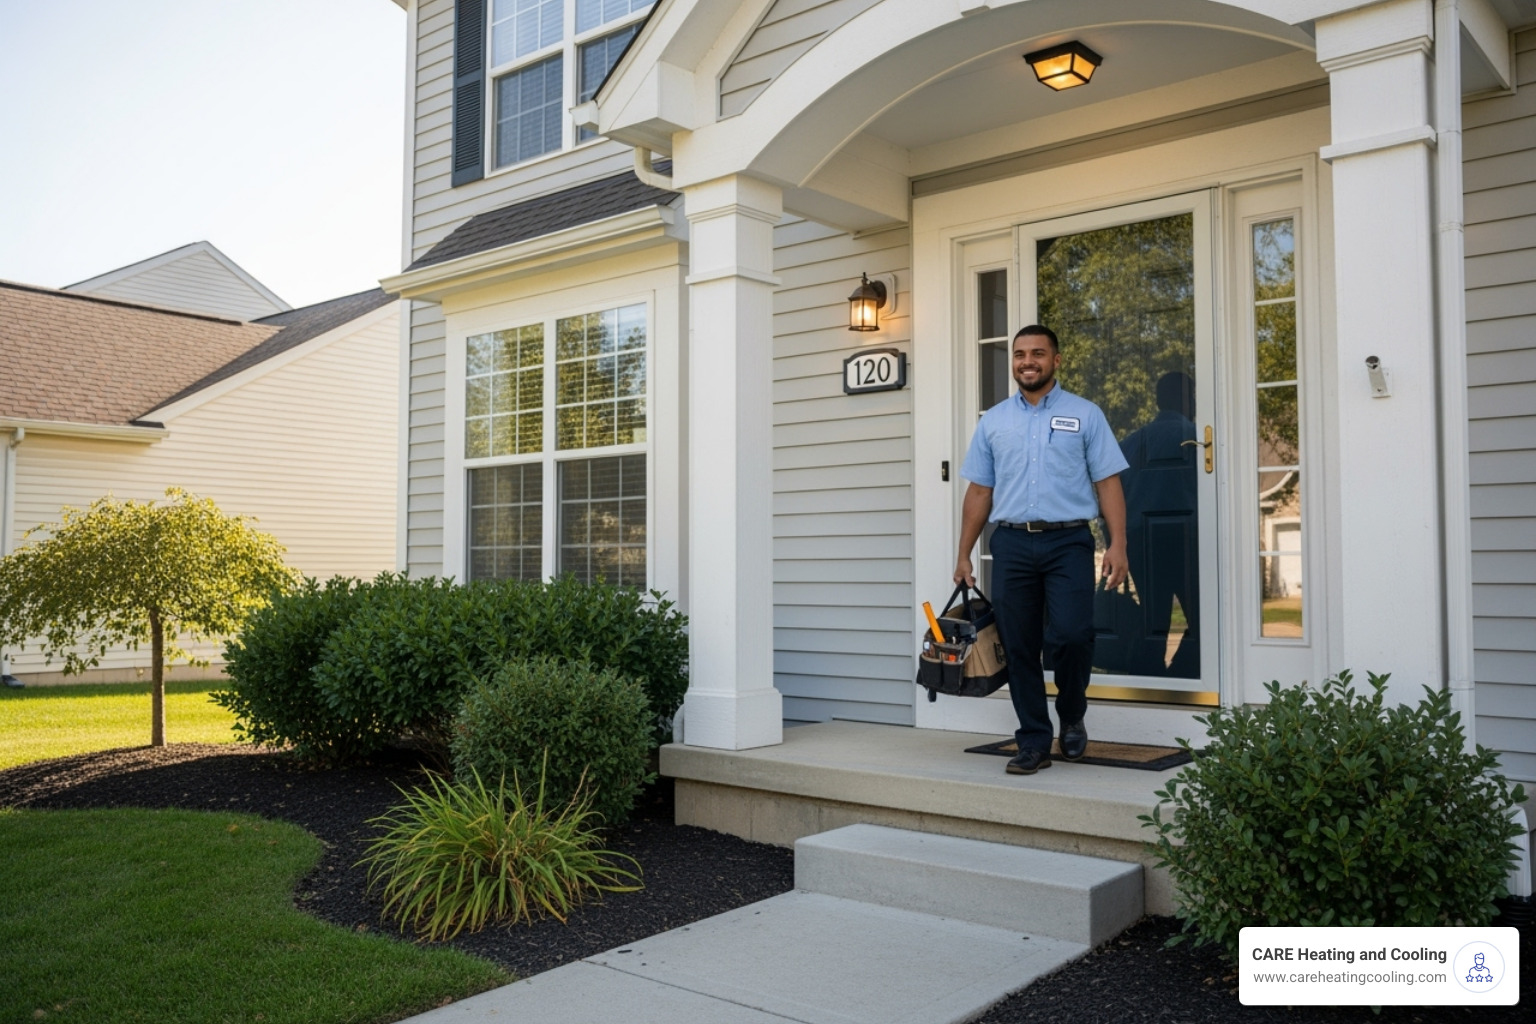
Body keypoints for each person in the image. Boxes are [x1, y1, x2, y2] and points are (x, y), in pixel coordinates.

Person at [954, 325, 1129, 775]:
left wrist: (1118, 544)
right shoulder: (994, 420)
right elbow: (979, 492)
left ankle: (1071, 713)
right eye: (1019, 354)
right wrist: (963, 554)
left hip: (1068, 539)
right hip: (1011, 542)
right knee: (1019, 643)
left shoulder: (1086, 415)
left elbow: (1107, 482)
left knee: (1072, 635)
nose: (1027, 361)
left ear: (1056, 360)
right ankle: (1033, 739)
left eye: (1037, 353)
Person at [1117, 371, 1200, 678]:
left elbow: (1109, 493)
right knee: (1200, 614)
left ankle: (1146, 674)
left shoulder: (1132, 444)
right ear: (1188, 399)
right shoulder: (1197, 439)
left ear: (1157, 400)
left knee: (1153, 616)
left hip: (1141, 540)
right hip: (1185, 537)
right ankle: (1182, 673)